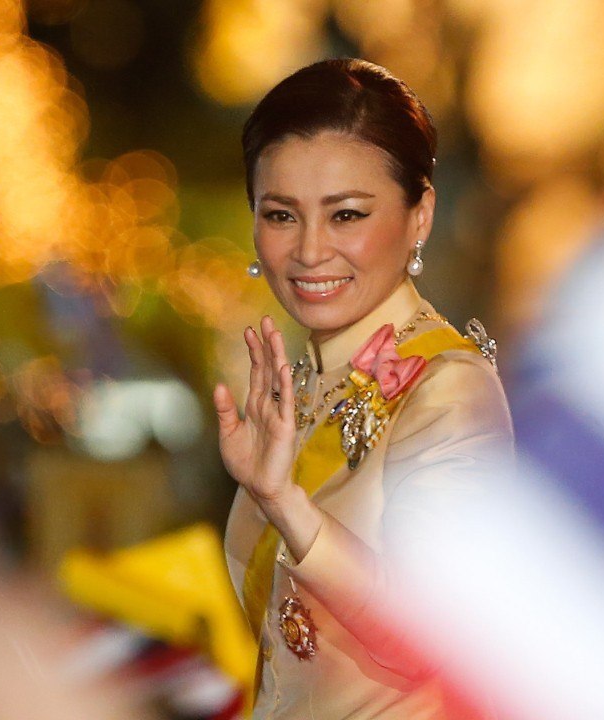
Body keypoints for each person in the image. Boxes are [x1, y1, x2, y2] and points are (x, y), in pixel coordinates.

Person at [213, 58, 514, 719]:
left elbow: (440, 638)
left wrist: (287, 505)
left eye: (346, 215)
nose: (310, 251)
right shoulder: (297, 385)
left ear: (420, 215)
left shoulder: (449, 390)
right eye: (282, 215)